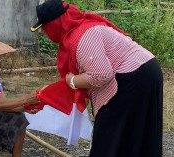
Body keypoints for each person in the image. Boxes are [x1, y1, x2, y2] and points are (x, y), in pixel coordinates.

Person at [31, 0, 163, 157]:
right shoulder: (81, 29)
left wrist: (72, 81)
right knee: (134, 134)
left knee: (110, 134)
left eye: (45, 27)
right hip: (144, 70)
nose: (46, 32)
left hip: (133, 75)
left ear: (55, 24)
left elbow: (101, 74)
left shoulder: (82, 37)